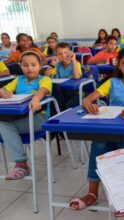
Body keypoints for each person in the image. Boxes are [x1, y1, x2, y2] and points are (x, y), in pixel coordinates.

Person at [69, 48, 124, 217]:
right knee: (99, 144)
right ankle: (92, 193)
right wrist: (87, 101)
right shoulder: (112, 82)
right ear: (118, 64)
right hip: (112, 127)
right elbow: (90, 97)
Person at [0, 51, 52, 180]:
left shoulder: (44, 79)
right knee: (3, 124)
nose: (29, 68)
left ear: (40, 66)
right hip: (20, 118)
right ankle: (21, 163)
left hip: (40, 119)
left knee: (4, 126)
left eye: (33, 65)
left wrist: (36, 99)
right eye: (25, 65)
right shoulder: (19, 80)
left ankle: (21, 164)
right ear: (20, 66)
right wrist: (2, 91)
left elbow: (43, 90)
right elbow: (6, 90)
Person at [45, 42, 82, 110]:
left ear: (70, 53)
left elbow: (77, 77)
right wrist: (53, 64)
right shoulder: (57, 64)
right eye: (60, 53)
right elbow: (46, 76)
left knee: (67, 105)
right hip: (61, 90)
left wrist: (73, 60)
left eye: (65, 52)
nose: (63, 55)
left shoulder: (76, 63)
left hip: (74, 91)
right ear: (56, 55)